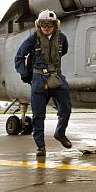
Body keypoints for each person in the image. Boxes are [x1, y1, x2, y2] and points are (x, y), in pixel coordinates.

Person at [15, 9, 72, 157]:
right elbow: (19, 57)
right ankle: (40, 146)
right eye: (43, 23)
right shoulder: (32, 39)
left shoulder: (62, 38)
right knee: (38, 115)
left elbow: (63, 51)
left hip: (56, 77)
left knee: (66, 109)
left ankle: (60, 133)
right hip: (39, 79)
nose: (46, 26)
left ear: (55, 24)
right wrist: (24, 72)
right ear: (38, 24)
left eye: (50, 23)